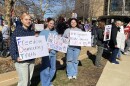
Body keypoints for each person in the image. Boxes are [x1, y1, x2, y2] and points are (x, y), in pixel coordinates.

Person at [9, 13, 35, 86]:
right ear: (22, 20)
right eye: (26, 19)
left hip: (31, 60)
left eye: (30, 19)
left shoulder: (32, 32)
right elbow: (12, 46)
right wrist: (15, 57)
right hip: (22, 61)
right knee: (23, 82)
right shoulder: (17, 31)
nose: (28, 21)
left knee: (28, 81)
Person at [40, 18, 57, 86]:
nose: (52, 25)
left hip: (53, 53)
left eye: (53, 24)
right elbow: (40, 43)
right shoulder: (43, 32)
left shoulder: (55, 32)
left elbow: (57, 43)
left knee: (53, 68)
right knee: (46, 69)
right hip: (46, 54)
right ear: (47, 23)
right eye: (50, 23)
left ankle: (47, 81)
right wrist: (46, 48)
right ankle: (45, 84)